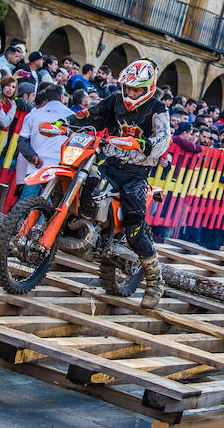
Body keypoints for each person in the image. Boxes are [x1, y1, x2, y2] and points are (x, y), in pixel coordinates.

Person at [63, 58, 171, 309]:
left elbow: (164, 139)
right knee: (84, 186)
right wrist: (66, 122)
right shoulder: (114, 99)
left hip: (136, 173)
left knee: (134, 228)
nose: (131, 93)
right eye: (129, 88)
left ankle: (155, 283)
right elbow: (91, 114)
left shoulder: (157, 109)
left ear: (148, 87)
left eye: (137, 89)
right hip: (110, 163)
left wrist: (145, 145)